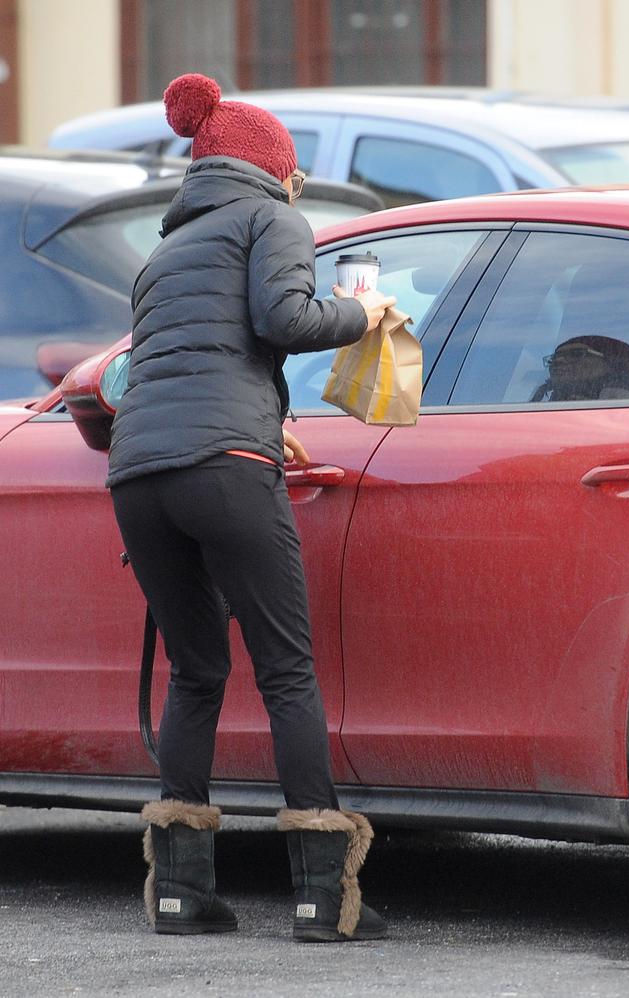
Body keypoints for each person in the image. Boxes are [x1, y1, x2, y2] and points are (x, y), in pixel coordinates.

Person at [106, 73, 394, 942]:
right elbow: (286, 319)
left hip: (138, 476)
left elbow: (170, 369)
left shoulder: (161, 253)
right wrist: (365, 311)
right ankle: (321, 901)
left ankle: (179, 895)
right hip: (223, 469)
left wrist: (274, 428)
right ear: (273, 170)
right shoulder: (274, 218)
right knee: (287, 671)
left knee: (197, 671)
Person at [530, 334, 629, 402]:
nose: (558, 361)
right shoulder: (539, 403)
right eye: (554, 358)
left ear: (609, 363)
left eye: (577, 354)